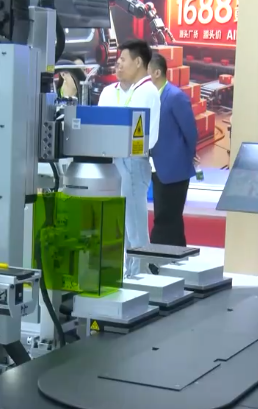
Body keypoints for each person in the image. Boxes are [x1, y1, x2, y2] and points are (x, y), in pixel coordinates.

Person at [96, 39, 160, 276]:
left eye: (123, 60)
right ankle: (125, 273)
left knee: (134, 225)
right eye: (117, 60)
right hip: (111, 162)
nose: (118, 64)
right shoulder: (109, 91)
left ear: (138, 62)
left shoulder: (147, 91)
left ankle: (140, 274)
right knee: (118, 224)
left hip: (133, 161)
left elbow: (147, 135)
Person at [147, 53, 197, 247]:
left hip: (175, 169)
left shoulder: (175, 97)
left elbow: (190, 132)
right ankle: (176, 254)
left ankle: (156, 256)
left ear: (157, 73)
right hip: (156, 168)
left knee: (167, 217)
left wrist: (185, 157)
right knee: (168, 217)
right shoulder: (149, 98)